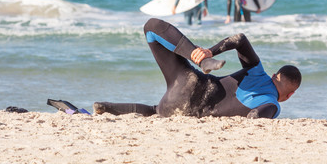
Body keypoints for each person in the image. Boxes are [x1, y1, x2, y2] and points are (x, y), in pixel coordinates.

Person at [94, 18, 301, 119]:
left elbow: (239, 39)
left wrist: (210, 52)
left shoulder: (257, 71)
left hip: (188, 85)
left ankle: (198, 57)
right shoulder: (273, 105)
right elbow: (255, 117)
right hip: (180, 112)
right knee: (156, 111)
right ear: (290, 95)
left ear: (275, 75)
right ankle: (103, 107)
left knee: (152, 27)